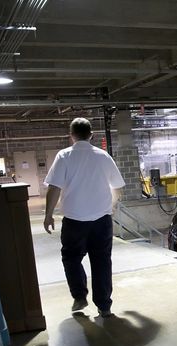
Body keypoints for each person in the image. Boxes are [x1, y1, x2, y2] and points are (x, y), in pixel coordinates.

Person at [43, 117, 125, 318]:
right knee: (102, 261)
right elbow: (118, 187)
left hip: (74, 220)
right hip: (101, 220)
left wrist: (48, 215)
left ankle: (80, 296)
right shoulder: (103, 156)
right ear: (91, 135)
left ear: (71, 135)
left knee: (71, 258)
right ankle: (104, 306)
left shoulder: (64, 156)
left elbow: (54, 187)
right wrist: (111, 206)